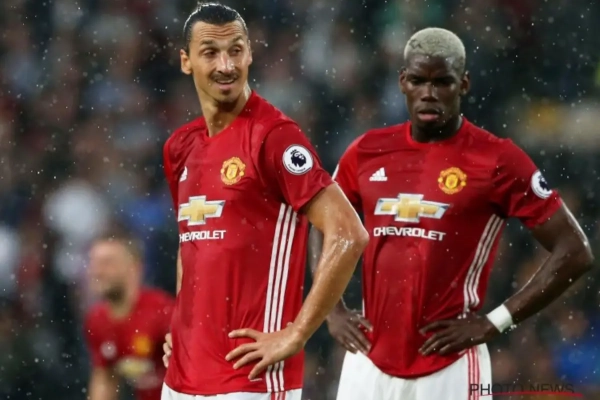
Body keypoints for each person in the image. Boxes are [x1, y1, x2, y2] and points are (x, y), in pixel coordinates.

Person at [308, 27, 594, 400]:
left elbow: (575, 250)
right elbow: (322, 221)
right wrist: (331, 309)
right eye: (418, 81)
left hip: (450, 365)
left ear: (464, 84)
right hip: (367, 361)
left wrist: (494, 322)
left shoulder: (497, 159)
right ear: (402, 82)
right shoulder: (367, 151)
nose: (429, 93)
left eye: (442, 82)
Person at [160, 3, 368, 400]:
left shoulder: (274, 137)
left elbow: (348, 233)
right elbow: (192, 244)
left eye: (235, 51)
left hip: (251, 378)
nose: (226, 65)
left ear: (250, 54)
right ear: (186, 61)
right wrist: (181, 324)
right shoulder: (180, 147)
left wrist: (297, 333)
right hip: (180, 379)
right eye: (210, 53)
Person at [84, 230, 175, 400]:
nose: (97, 272)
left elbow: (196, 370)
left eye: (107, 263)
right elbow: (105, 379)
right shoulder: (97, 320)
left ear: (135, 268)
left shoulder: (163, 313)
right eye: (94, 263)